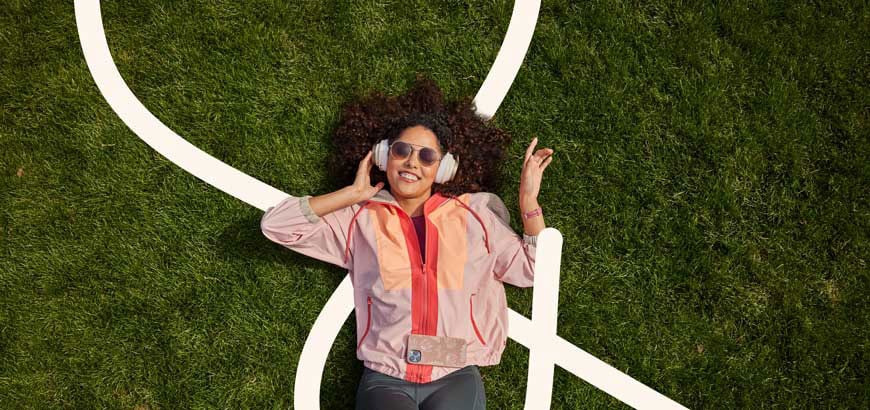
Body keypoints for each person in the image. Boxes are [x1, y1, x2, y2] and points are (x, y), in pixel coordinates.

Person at [260, 75, 554, 410]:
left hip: (455, 373)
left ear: (443, 168)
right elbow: (277, 225)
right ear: (384, 157)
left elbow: (533, 270)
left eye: (427, 156)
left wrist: (528, 200)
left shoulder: (476, 216)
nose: (413, 162)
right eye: (401, 151)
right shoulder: (360, 218)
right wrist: (352, 194)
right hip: (386, 376)